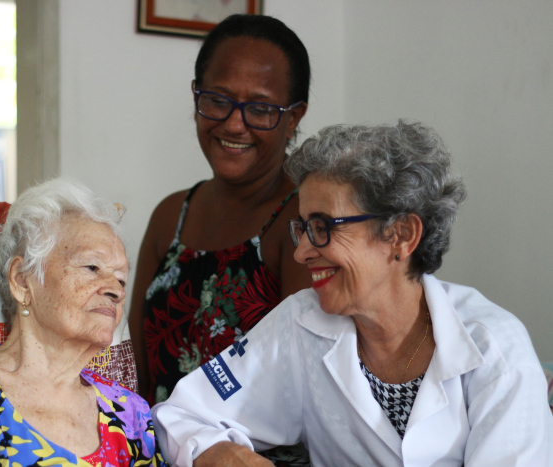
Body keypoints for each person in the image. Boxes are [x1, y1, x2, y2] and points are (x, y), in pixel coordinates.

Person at [152, 121, 553, 466]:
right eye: (303, 227)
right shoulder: (302, 322)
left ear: (401, 234)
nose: (302, 251)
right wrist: (218, 453)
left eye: (323, 227)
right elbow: (180, 416)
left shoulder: (495, 346)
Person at [0, 179, 167, 466]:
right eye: (92, 267)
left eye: (121, 278)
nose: (116, 290)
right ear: (22, 280)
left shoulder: (131, 412)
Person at [129, 14, 311, 407]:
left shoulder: (304, 224)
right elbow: (133, 367)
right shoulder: (170, 215)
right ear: (197, 96)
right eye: (217, 100)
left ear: (293, 117)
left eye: (260, 108)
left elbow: (302, 387)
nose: (233, 124)